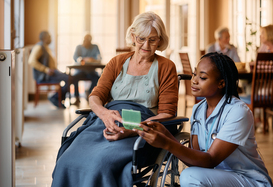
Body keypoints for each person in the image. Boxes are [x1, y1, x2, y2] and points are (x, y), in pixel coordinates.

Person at [51, 11, 178, 187]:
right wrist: (104, 114)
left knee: (100, 164)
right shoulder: (117, 62)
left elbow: (166, 114)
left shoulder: (166, 67)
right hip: (107, 120)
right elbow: (95, 96)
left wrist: (132, 129)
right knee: (67, 160)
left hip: (143, 129)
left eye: (153, 39)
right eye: (141, 38)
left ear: (160, 40)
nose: (146, 45)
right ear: (133, 36)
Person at [134, 52, 272, 187]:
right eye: (194, 74)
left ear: (221, 83)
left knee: (190, 176)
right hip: (215, 177)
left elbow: (210, 159)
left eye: (203, 78)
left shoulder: (238, 112)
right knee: (192, 173)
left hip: (247, 179)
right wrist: (166, 134)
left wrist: (166, 143)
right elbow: (195, 159)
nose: (194, 80)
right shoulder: (198, 109)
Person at [28, 31, 71, 108]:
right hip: (44, 76)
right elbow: (31, 61)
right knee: (69, 78)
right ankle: (55, 98)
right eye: (49, 37)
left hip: (52, 73)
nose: (51, 39)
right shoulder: (39, 47)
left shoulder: (45, 47)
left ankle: (58, 98)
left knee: (68, 77)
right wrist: (46, 70)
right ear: (44, 38)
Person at [72, 34, 102, 104]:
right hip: (80, 71)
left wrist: (92, 60)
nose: (86, 42)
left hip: (91, 71)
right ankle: (76, 98)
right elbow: (75, 57)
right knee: (74, 78)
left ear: (90, 41)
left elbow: (99, 58)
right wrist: (81, 59)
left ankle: (89, 92)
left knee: (98, 78)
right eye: (84, 40)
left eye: (88, 40)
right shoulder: (79, 47)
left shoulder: (95, 47)